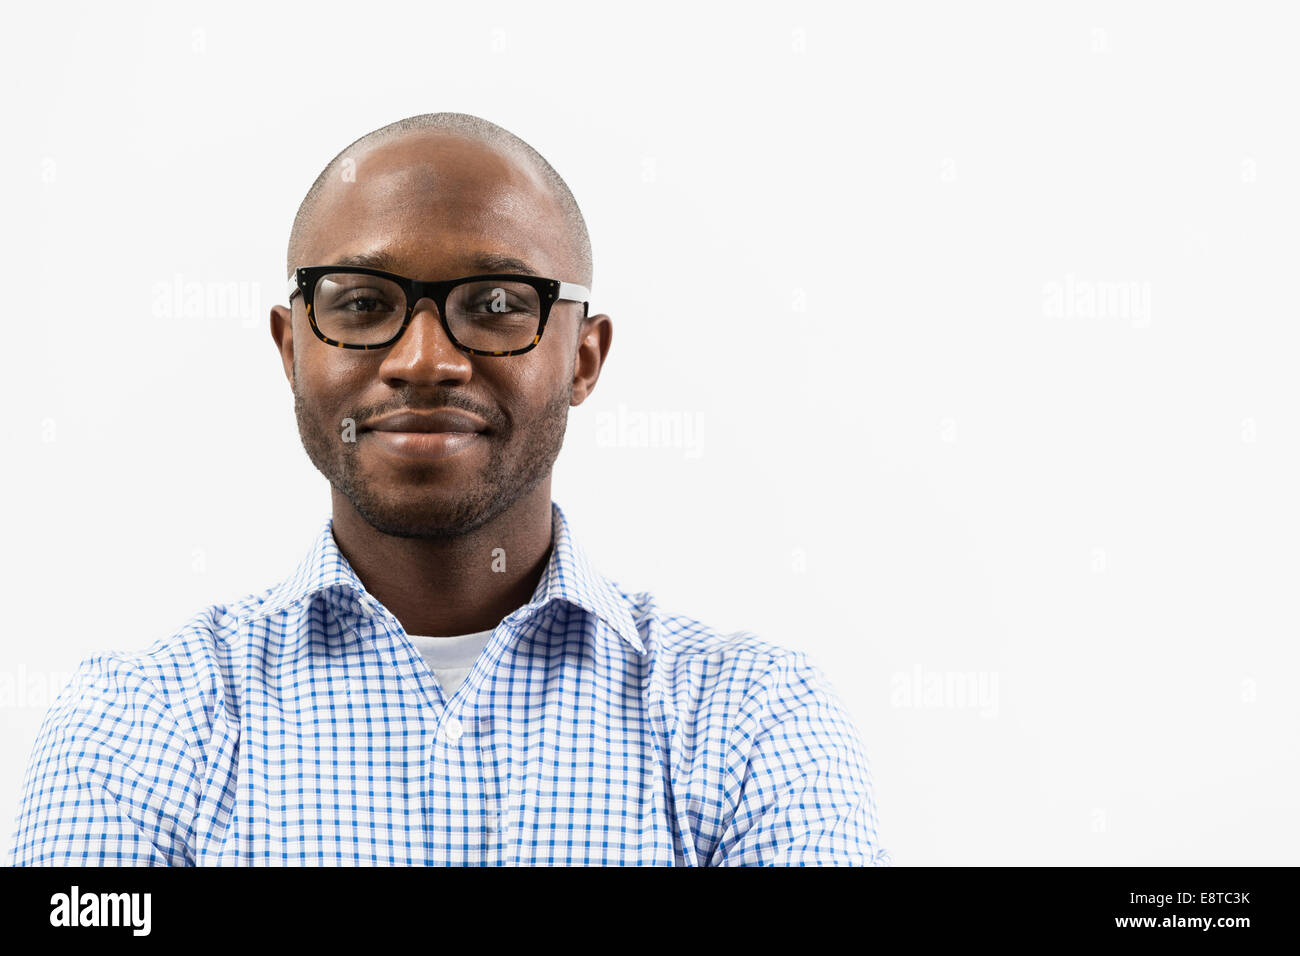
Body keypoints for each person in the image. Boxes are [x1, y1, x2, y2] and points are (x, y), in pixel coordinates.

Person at [9, 112, 890, 866]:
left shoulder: (747, 721)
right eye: (360, 304)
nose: (425, 360)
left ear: (583, 358)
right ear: (291, 348)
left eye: (497, 303)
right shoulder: (136, 728)